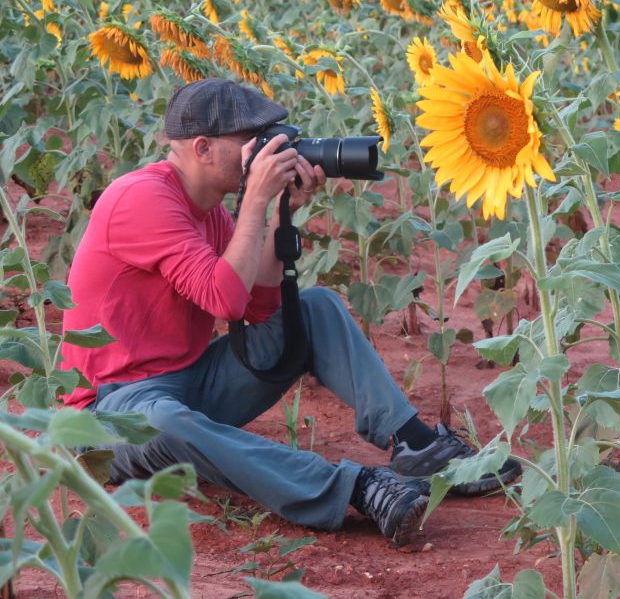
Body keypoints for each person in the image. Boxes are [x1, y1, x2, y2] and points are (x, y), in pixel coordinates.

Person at [60, 78, 521, 546]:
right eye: (252, 143)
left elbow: (260, 309)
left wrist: (281, 214)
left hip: (186, 384)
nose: (267, 151)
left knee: (314, 307)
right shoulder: (139, 198)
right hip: (108, 414)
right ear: (202, 148)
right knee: (166, 422)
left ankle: (416, 444)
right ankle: (352, 487)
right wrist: (256, 200)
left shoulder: (212, 212)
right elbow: (223, 299)